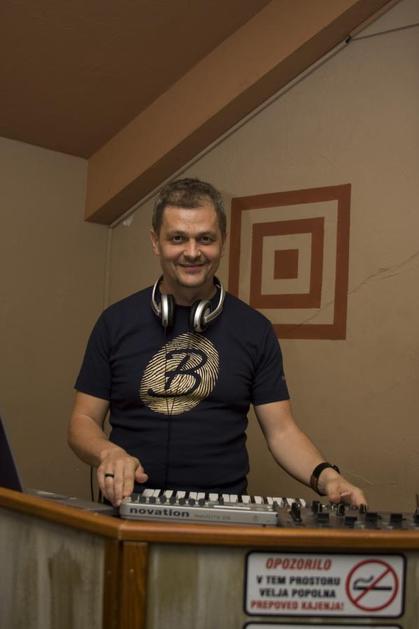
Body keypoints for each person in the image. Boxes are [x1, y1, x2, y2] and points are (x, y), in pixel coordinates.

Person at [68, 178, 366, 508]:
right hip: (126, 507)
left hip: (221, 513)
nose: (192, 252)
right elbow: (83, 421)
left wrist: (327, 477)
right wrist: (107, 453)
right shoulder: (114, 323)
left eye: (205, 239)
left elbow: (282, 431)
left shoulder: (255, 330)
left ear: (222, 242)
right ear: (155, 242)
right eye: (177, 238)